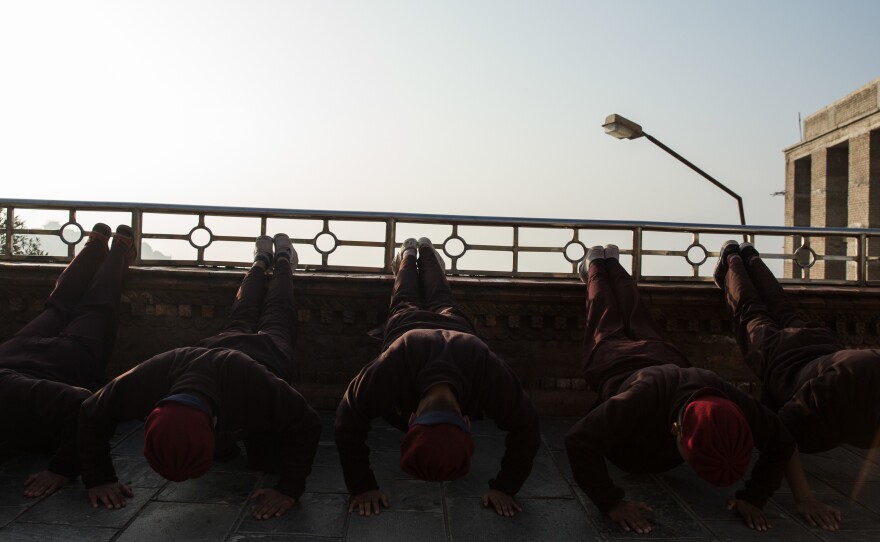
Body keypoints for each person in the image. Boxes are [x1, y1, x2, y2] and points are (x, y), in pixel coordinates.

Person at [77, 234, 321, 520]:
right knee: (244, 309)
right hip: (222, 343)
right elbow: (91, 412)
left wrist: (289, 490)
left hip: (268, 351)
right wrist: (98, 478)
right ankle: (261, 260)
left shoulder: (255, 383)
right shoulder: (154, 376)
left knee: (278, 308)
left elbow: (306, 421)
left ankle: (280, 260)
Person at [564, 244, 796, 534]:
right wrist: (611, 502)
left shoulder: (721, 391)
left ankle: (608, 262)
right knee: (604, 310)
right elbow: (579, 441)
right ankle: (598, 263)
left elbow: (782, 441)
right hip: (616, 357)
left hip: (661, 353)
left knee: (632, 308)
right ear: (677, 428)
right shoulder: (642, 397)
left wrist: (755, 498)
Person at [335, 237, 540, 518]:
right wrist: (504, 487)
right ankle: (414, 253)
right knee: (408, 296)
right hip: (414, 328)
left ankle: (419, 252)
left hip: (444, 327)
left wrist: (363, 486)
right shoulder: (402, 363)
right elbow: (348, 415)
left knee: (433, 296)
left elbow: (349, 415)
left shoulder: (481, 366)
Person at [713, 239, 880, 531]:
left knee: (780, 307)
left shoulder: (864, 371)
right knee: (752, 312)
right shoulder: (846, 385)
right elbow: (783, 429)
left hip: (821, 345)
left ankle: (749, 257)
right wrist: (772, 497)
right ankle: (732, 259)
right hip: (783, 356)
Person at [0, 223, 135, 498]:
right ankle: (97, 245)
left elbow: (82, 403)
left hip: (62, 358)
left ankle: (119, 249)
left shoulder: (9, 392)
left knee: (96, 307)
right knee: (59, 306)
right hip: (18, 350)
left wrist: (70, 470)